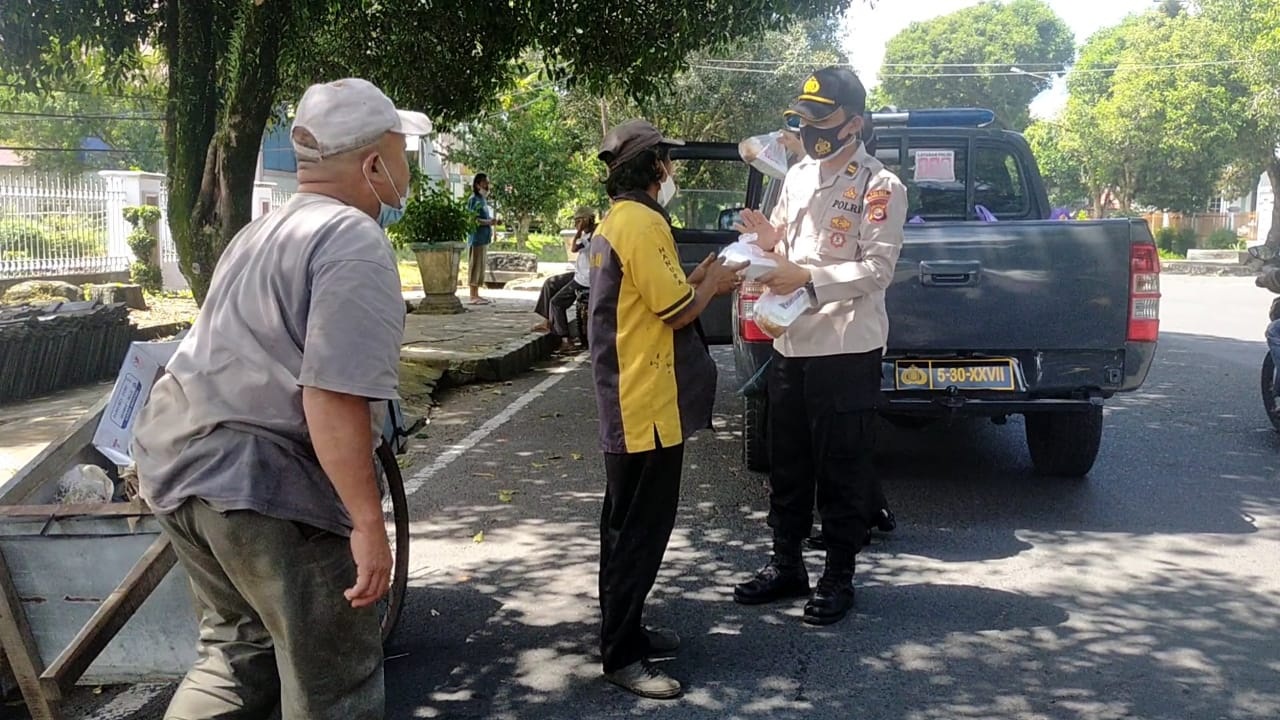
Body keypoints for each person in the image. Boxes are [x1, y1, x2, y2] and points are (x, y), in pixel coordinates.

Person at [130, 78, 426, 720]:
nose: (410, 170)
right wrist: (368, 526)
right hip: (263, 482)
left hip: (177, 466)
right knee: (334, 682)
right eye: (405, 153)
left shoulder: (262, 232)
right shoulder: (353, 239)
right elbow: (333, 399)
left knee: (238, 655)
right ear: (374, 163)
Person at [732, 66, 907, 626]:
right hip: (792, 343)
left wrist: (804, 277)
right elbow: (785, 239)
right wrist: (765, 243)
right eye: (801, 118)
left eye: (820, 119)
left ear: (853, 123)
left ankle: (838, 575)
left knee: (842, 466)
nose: (808, 130)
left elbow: (878, 269)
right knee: (788, 463)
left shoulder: (879, 186)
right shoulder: (799, 176)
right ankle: (786, 564)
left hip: (845, 346)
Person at [590, 119, 745, 699]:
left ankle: (621, 631)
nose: (674, 172)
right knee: (639, 532)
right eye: (670, 162)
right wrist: (715, 287)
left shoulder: (620, 221)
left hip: (628, 396)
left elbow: (658, 291)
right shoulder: (641, 221)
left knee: (621, 527)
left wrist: (700, 274)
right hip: (645, 403)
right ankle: (623, 655)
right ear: (655, 167)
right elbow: (676, 311)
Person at [533, 206, 596, 350]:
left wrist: (578, 232)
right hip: (578, 273)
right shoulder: (586, 235)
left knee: (556, 302)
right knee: (550, 284)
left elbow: (573, 249)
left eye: (578, 221)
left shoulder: (592, 236)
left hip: (584, 279)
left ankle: (565, 339)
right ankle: (547, 320)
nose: (575, 225)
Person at [467, 173, 497, 304]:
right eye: (485, 183)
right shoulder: (473, 200)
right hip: (476, 238)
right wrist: (488, 222)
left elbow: (484, 217)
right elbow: (473, 219)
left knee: (480, 267)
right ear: (477, 184)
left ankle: (477, 293)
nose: (487, 186)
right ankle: (472, 295)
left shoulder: (483, 200)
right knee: (475, 266)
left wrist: (492, 221)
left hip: (484, 238)